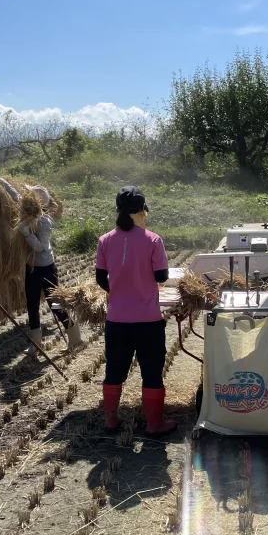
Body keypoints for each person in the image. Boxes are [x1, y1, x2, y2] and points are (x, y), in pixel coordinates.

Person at [96, 186, 175, 436]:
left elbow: (100, 278)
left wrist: (119, 291)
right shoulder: (153, 239)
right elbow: (161, 276)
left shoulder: (105, 240)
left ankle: (111, 420)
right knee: (151, 371)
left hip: (117, 320)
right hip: (148, 320)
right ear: (142, 211)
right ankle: (154, 424)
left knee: (114, 370)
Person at [0, 176, 82, 353]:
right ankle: (36, 344)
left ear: (38, 202)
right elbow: (14, 193)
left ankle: (75, 338)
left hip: (46, 269)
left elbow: (40, 247)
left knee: (55, 304)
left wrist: (27, 234)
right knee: (32, 304)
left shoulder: (45, 222)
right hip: (31, 268)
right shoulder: (27, 211)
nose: (26, 197)